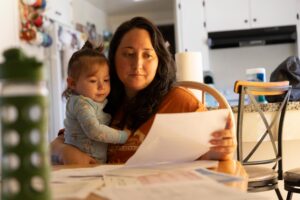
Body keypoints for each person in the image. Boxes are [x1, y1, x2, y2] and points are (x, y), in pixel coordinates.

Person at [51, 16, 235, 165]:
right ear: (113, 58)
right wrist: (63, 151)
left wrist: (219, 150)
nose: (137, 64)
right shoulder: (102, 98)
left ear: (159, 61)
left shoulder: (179, 102)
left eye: (147, 55)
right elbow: (61, 141)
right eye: (129, 54)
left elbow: (206, 155)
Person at [60, 41, 129, 164]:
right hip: (80, 165)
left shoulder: (93, 101)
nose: (101, 86)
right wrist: (124, 137)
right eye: (93, 81)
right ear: (72, 83)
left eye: (106, 80)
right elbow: (94, 131)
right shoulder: (82, 103)